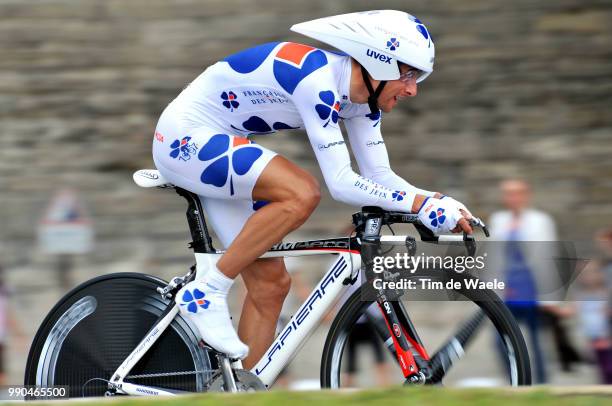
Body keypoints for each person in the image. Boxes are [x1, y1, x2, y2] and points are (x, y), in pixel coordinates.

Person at [152, 10, 474, 367]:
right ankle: (206, 292)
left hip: (221, 145)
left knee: (271, 286)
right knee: (301, 191)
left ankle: (240, 394)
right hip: (185, 138)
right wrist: (419, 204)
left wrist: (433, 200)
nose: (413, 89)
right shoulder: (317, 81)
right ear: (378, 62)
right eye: (408, 74)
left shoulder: (363, 104)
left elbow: (379, 176)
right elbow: (341, 183)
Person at [489, 179, 568, 383]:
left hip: (534, 292)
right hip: (508, 293)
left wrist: (553, 299)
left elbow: (549, 258)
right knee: (501, 341)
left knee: (537, 343)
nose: (513, 198)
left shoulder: (540, 221)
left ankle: (540, 385)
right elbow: (494, 259)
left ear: (526, 195)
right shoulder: (498, 221)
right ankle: (516, 382)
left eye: (517, 193)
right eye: (508, 194)